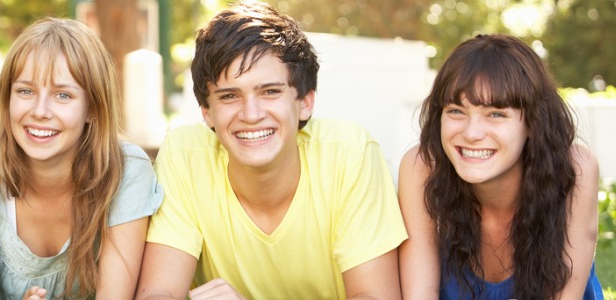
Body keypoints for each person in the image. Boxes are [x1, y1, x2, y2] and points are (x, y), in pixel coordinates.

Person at [135, 2, 407, 299]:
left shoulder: (350, 154)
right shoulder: (185, 155)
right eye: (229, 96)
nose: (251, 114)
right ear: (207, 112)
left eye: (270, 92)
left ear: (305, 102)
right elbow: (158, 293)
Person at [0, 17, 163, 299]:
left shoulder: (126, 171)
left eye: (63, 95)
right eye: (25, 91)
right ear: (7, 97)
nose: (40, 111)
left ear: (93, 109)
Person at [398, 34, 604, 299]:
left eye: (496, 114)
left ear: (533, 122)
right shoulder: (422, 168)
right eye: (456, 111)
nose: (472, 133)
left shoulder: (574, 169)